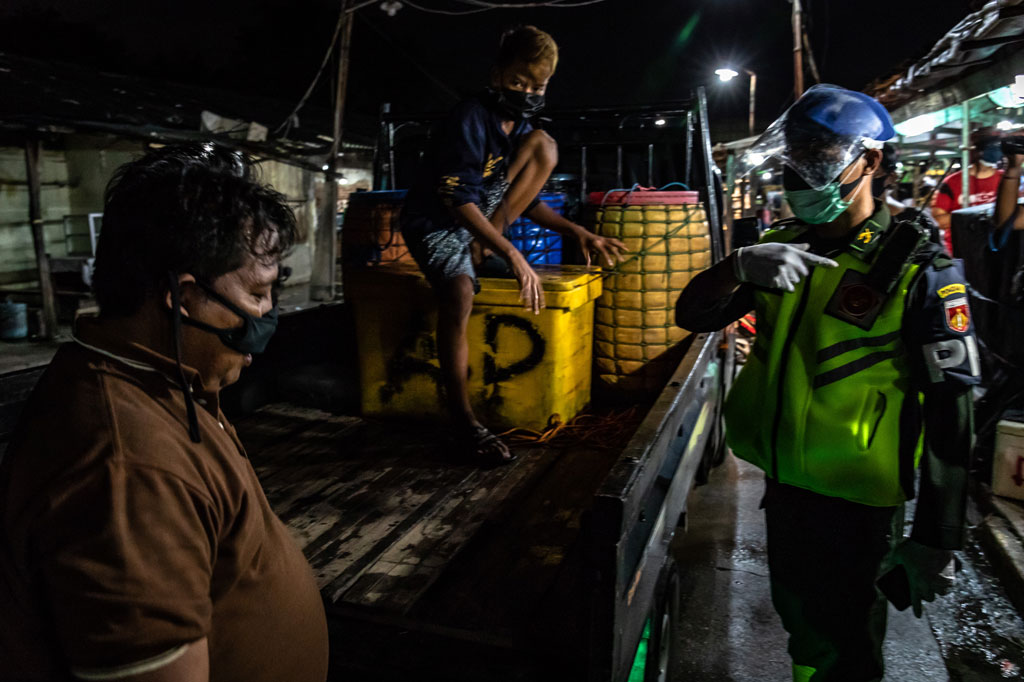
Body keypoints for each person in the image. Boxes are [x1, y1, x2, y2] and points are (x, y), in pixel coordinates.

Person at [676, 84, 979, 682]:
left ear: (868, 161)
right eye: (794, 155)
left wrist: (936, 535)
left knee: (847, 646)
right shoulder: (781, 247)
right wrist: (734, 265)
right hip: (787, 484)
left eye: (816, 155)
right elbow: (693, 315)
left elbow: (953, 409)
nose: (798, 171)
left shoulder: (918, 270)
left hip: (859, 504)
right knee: (803, 625)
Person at [0, 144, 329, 681]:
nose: (269, 313)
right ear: (183, 297)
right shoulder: (126, 468)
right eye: (258, 293)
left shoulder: (165, 378)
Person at [400, 25, 626, 465]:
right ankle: (463, 420)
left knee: (546, 146)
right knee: (461, 292)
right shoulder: (470, 116)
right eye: (517, 82)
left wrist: (576, 231)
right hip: (437, 221)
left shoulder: (521, 127)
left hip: (479, 223)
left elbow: (528, 203)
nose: (526, 91)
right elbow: (456, 197)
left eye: (537, 86)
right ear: (498, 74)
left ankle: (482, 251)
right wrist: (510, 250)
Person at [931, 127, 1004, 254]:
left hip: (997, 248)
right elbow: (939, 220)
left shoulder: (1005, 179)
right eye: (991, 146)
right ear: (976, 151)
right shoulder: (951, 182)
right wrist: (976, 217)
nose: (997, 151)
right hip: (963, 251)